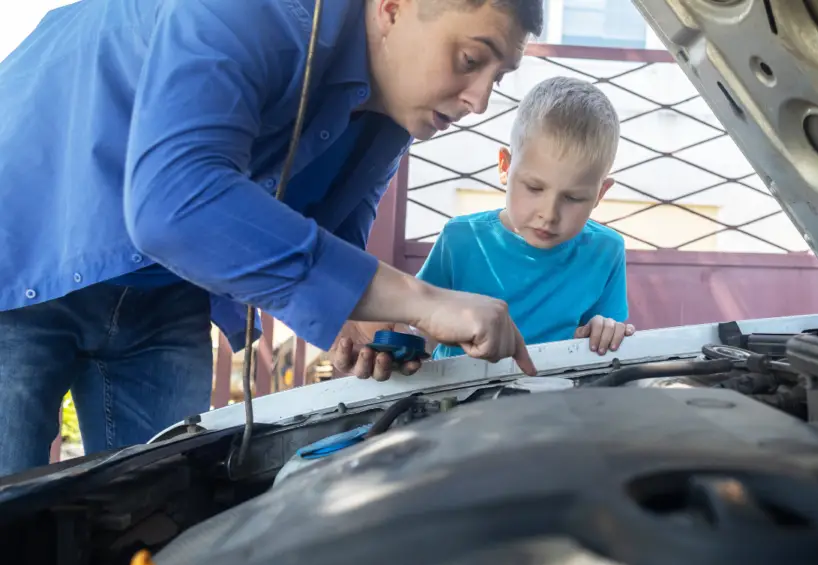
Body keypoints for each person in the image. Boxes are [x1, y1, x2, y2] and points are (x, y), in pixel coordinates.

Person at [0, 0, 542, 477]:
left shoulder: (390, 120)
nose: (480, 100)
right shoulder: (256, 9)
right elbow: (176, 202)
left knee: (152, 520)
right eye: (472, 60)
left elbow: (333, 241)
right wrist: (424, 301)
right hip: (25, 247)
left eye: (498, 77)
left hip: (167, 294)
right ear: (393, 6)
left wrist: (354, 323)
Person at [335, 76, 634, 379]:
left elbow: (605, 342)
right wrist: (391, 343)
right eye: (534, 187)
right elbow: (416, 326)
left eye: (573, 197)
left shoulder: (606, 252)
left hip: (554, 405)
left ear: (599, 194)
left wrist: (604, 330)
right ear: (505, 166)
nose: (549, 213)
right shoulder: (461, 240)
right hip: (458, 402)